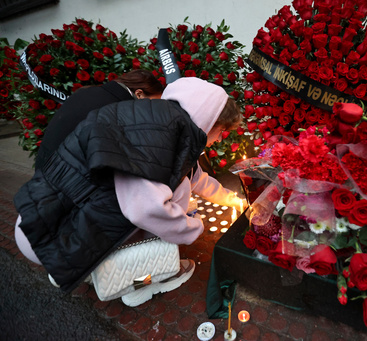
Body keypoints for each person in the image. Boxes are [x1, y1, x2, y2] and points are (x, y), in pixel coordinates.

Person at [14, 77, 245, 307]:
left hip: (41, 218)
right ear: (209, 121)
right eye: (221, 131)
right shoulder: (161, 138)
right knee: (165, 229)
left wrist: (233, 200)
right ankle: (142, 284)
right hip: (51, 235)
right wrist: (192, 227)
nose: (219, 139)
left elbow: (197, 178)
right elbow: (145, 210)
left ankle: (74, 267)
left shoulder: (156, 122)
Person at [35, 69, 164, 169]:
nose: (151, 109)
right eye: (153, 103)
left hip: (45, 163)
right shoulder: (116, 110)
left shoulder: (89, 92)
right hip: (65, 177)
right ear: (139, 94)